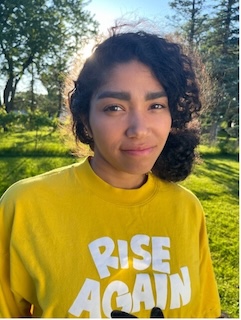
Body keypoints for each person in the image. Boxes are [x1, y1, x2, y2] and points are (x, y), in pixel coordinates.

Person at [0, 30, 221, 318]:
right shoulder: (26, 205)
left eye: (156, 105)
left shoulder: (188, 208)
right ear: (85, 120)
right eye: (114, 107)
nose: (139, 129)